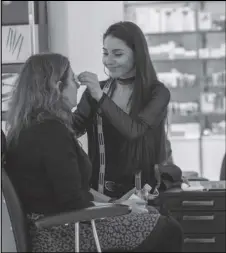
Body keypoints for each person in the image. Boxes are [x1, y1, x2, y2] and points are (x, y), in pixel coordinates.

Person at [5, 53, 183, 252]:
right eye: (73, 80)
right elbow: (73, 202)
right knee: (167, 228)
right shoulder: (51, 133)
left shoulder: (28, 128)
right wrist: (122, 209)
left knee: (149, 216)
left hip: (53, 227)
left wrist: (115, 202)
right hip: (61, 234)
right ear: (57, 87)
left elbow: (74, 190)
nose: (78, 85)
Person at [73, 21, 171, 199]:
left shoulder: (158, 93)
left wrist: (100, 96)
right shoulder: (95, 93)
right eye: (105, 53)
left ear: (137, 55)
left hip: (143, 195)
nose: (108, 61)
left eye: (117, 54)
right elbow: (72, 129)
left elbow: (134, 130)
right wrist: (55, 97)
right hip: (101, 197)